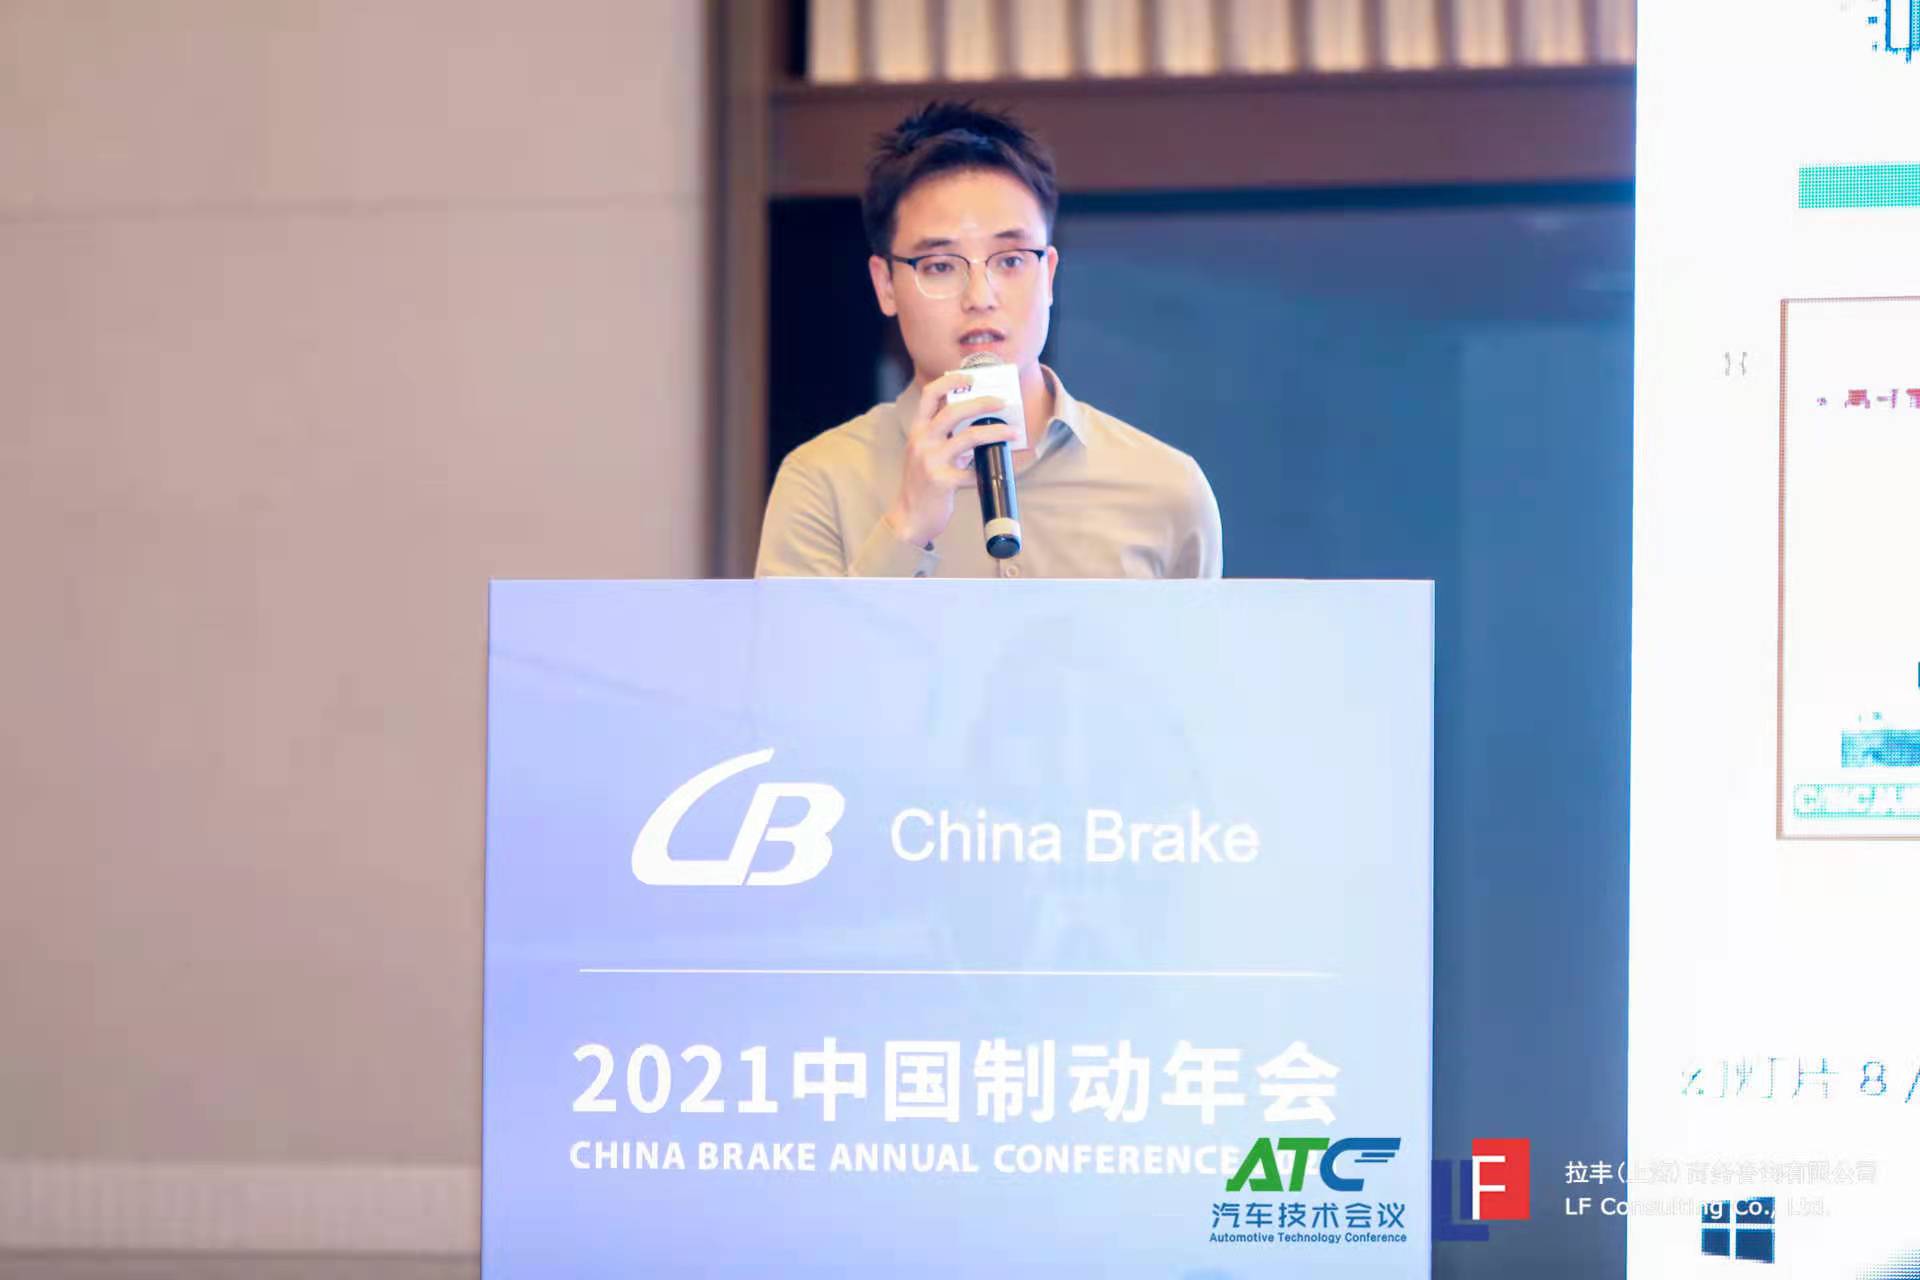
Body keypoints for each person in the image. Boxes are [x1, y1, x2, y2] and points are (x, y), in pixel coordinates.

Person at [754, 101, 1222, 580]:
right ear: (886, 285)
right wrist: (905, 531)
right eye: (940, 266)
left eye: (1011, 260)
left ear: (1048, 275)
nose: (979, 297)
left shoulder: (1167, 490)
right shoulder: (820, 483)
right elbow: (802, 636)